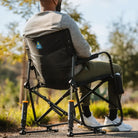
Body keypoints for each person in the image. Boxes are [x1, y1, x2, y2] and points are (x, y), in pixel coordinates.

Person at [23, 0, 132, 132]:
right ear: (56, 1)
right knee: (115, 69)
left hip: (45, 78)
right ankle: (113, 119)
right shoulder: (63, 20)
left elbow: (30, 57)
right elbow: (85, 53)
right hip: (71, 75)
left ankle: (86, 115)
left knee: (83, 66)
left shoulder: (27, 26)